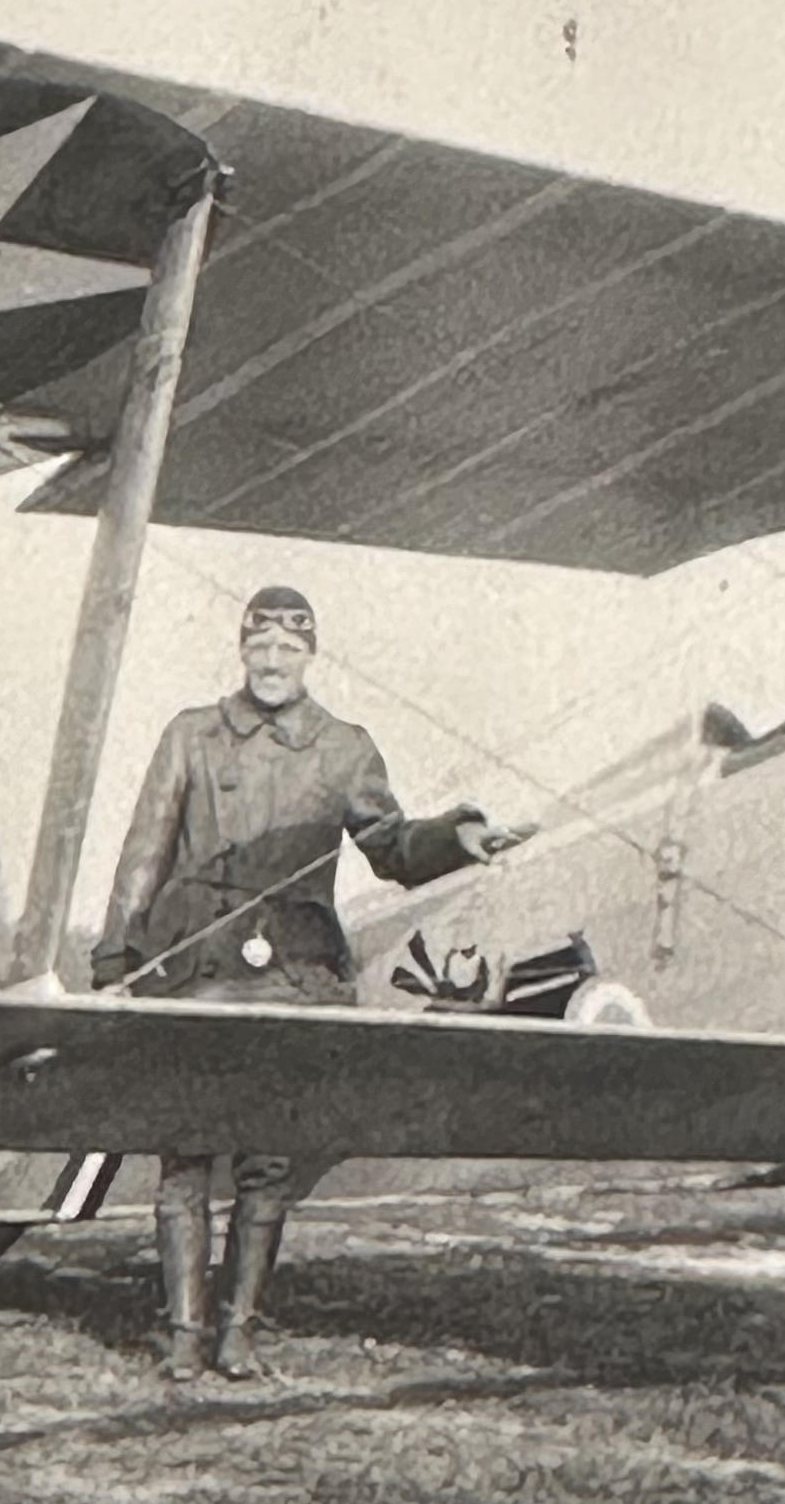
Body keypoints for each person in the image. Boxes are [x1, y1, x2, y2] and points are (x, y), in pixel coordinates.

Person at [90, 586, 529, 1381]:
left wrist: (458, 836)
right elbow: (142, 853)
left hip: (295, 981)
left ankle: (238, 1331)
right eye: (259, 647)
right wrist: (116, 963)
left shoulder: (343, 749)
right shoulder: (190, 736)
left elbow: (392, 847)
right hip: (194, 974)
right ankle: (184, 1333)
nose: (271, 663)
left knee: (267, 1167)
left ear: (310, 657)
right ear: (241, 650)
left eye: (288, 650)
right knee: (184, 1159)